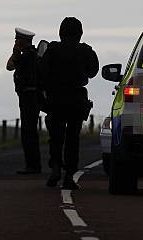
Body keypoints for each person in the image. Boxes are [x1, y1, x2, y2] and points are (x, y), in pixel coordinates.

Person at [42, 17, 99, 189]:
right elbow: (93, 71)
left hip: (55, 99)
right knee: (72, 139)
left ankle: (56, 168)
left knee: (56, 137)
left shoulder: (52, 50)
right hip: (76, 100)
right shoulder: (85, 51)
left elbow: (42, 73)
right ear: (80, 33)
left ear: (61, 32)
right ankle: (69, 176)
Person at [6, 27, 42, 174]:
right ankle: (33, 165)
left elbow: (9, 66)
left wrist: (15, 51)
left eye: (17, 39)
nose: (15, 41)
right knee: (30, 131)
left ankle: (32, 166)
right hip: (31, 96)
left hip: (29, 97)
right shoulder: (32, 55)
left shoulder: (26, 56)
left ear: (22, 41)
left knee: (28, 132)